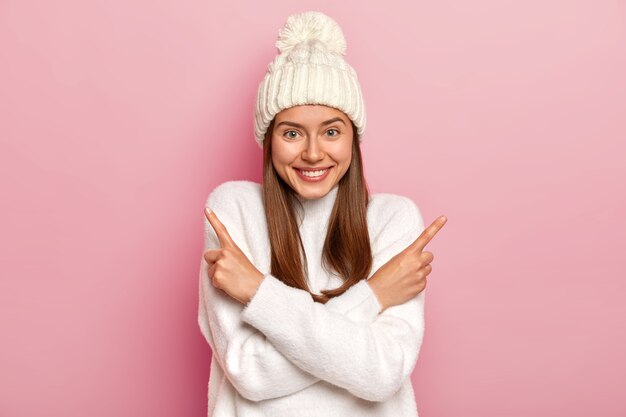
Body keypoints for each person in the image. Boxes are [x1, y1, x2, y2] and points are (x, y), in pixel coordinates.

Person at [197, 11, 447, 417]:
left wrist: (258, 293)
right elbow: (250, 372)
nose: (313, 153)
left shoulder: (393, 218)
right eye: (292, 132)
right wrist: (374, 296)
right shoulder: (233, 210)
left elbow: (382, 373)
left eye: (331, 131)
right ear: (269, 140)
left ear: (353, 137)